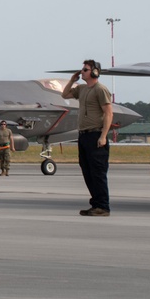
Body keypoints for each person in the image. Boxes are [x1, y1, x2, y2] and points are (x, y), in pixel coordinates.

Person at [61, 59, 114, 217]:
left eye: (85, 69)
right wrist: (72, 80)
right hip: (83, 135)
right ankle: (96, 204)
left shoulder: (100, 89)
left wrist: (104, 136)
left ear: (95, 72)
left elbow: (108, 113)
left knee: (97, 172)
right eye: (82, 69)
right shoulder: (82, 89)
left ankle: (103, 206)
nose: (82, 71)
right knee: (88, 172)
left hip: (96, 134)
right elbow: (65, 94)